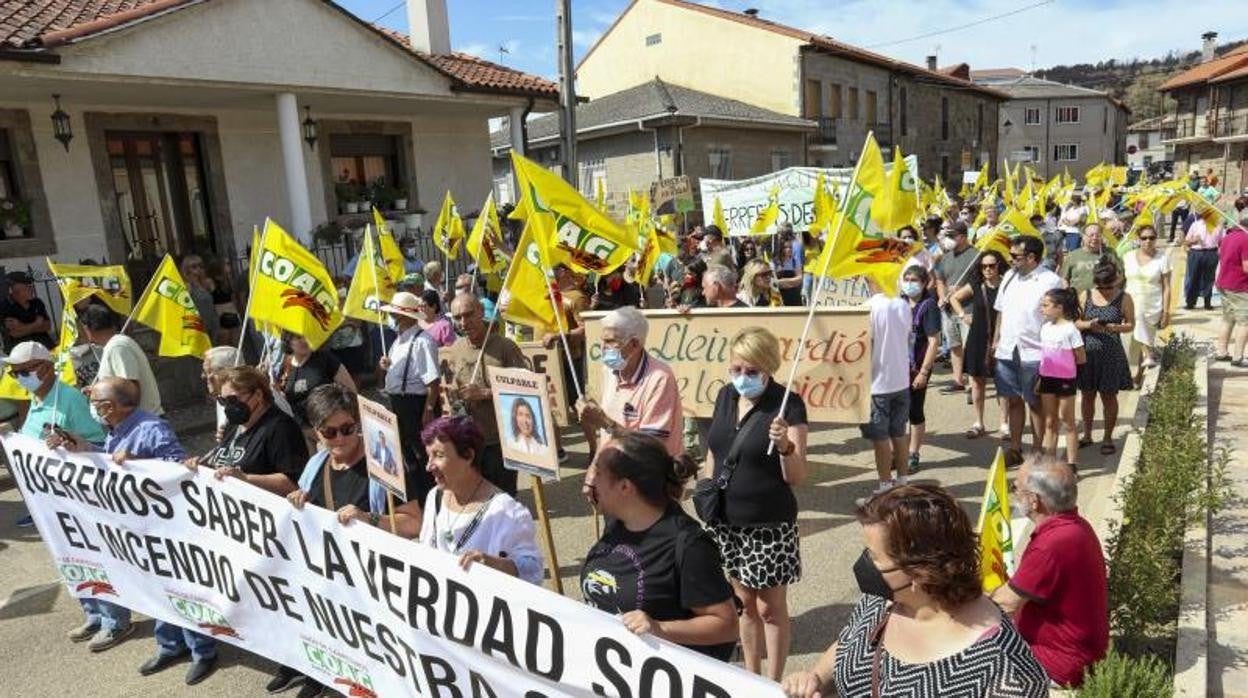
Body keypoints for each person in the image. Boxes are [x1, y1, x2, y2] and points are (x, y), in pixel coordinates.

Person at [782, 485, 1048, 698]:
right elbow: (847, 648)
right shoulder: (879, 601)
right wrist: (813, 679)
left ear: (919, 571)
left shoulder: (1007, 671)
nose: (864, 563)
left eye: (874, 557)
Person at [53, 378, 216, 684]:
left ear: (110, 406)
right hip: (137, 527)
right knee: (154, 589)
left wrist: (139, 462)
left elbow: (177, 467)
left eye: (95, 400)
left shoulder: (151, 428)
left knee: (179, 589)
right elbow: (111, 461)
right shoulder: (117, 428)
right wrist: (86, 448)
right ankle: (170, 645)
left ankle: (202, 651)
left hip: (165, 527)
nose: (92, 405)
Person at [279, 385, 423, 695]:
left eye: (348, 428)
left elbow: (413, 523)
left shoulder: (384, 463)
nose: (341, 438)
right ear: (316, 432)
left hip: (374, 582)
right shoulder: (314, 467)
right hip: (332, 580)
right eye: (330, 432)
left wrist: (369, 518)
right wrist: (297, 501)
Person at [703, 326, 808, 680]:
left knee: (770, 609)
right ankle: (751, 676)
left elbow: (796, 475)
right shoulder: (725, 397)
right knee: (743, 605)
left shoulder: (787, 404)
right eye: (736, 369)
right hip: (727, 522)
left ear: (769, 368)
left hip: (769, 524)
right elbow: (714, 452)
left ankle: (773, 682)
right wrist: (707, 492)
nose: (742, 378)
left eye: (751, 372)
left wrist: (785, 447)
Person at [581, 432, 738, 659]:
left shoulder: (689, 545)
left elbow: (726, 625)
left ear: (625, 487)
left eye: (599, 474)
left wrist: (659, 629)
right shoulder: (617, 522)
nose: (590, 483)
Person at [992, 456, 1109, 688]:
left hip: (1058, 662)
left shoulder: (1051, 544)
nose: (1014, 493)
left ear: (1034, 501)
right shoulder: (1076, 526)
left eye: (1016, 488)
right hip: (1079, 652)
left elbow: (1004, 604)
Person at [419, 416, 544, 585]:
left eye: (438, 455)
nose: (429, 466)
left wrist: (494, 564)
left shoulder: (506, 511)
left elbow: (533, 571)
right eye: (429, 457)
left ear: (468, 455)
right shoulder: (435, 497)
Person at [441, 293, 530, 496]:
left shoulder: (505, 347)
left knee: (503, 497)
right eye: (457, 317)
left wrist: (486, 393)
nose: (464, 322)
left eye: (469, 314)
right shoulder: (456, 349)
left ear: (481, 312)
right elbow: (454, 384)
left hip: (499, 440)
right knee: (475, 497)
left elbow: (525, 391)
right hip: (469, 440)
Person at [576, 306, 683, 457]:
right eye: (602, 341)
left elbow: (650, 446)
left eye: (610, 341)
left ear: (634, 344)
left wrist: (605, 422)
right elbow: (606, 434)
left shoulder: (660, 378)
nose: (603, 348)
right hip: (615, 466)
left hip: (648, 473)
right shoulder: (608, 371)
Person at [994, 236, 1063, 466]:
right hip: (1007, 349)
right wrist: (995, 340)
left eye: (1015, 256)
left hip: (1035, 352)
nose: (1010, 260)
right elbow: (1001, 311)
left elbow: (1058, 317)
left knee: (1035, 403)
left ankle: (1037, 451)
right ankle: (1015, 448)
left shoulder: (1050, 280)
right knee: (1013, 400)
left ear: (1032, 258)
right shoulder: (1009, 277)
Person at [188, 366, 306, 497]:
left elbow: (293, 484)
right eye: (223, 401)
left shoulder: (281, 428)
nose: (228, 406)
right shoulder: (233, 426)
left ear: (258, 395)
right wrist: (201, 466)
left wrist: (246, 479)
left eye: (233, 400)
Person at [379, 290, 442, 502]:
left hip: (415, 404)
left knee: (423, 454)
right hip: (399, 403)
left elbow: (433, 382)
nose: (393, 318)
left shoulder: (423, 341)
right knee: (407, 454)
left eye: (396, 314)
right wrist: (387, 367)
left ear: (406, 316)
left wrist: (428, 410)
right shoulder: (398, 341)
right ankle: (421, 497)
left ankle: (433, 497)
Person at [1075, 260, 1135, 454]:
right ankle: (1087, 434)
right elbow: (1075, 322)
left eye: (1108, 285)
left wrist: (1116, 327)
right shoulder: (1086, 295)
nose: (1105, 290)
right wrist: (1089, 325)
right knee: (1087, 395)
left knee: (1109, 396)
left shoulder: (1124, 298)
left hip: (1111, 353)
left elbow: (1131, 324)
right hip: (1088, 353)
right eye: (1102, 285)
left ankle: (1108, 437)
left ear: (1116, 280)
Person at [860, 285, 912, 499]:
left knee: (880, 438)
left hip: (878, 383)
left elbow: (863, 345)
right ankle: (902, 481)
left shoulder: (868, 307)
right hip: (900, 380)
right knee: (898, 433)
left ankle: (885, 486)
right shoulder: (902, 304)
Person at [950, 250, 1006, 440]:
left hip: (1002, 339)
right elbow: (954, 298)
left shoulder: (1007, 285)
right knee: (977, 381)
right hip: (978, 337)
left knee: (1003, 382)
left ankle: (1004, 423)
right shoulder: (976, 285)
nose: (988, 269)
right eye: (984, 266)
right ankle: (978, 422)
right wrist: (963, 316)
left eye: (992, 265)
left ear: (999, 265)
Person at [79, 304, 163, 416]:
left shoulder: (117, 347)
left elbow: (130, 389)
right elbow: (120, 386)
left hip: (142, 423)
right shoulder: (113, 345)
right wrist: (98, 391)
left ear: (87, 329)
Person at [1036, 289, 1086, 469]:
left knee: (1068, 421)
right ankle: (1050, 463)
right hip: (1047, 379)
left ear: (1059, 307)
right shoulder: (1045, 328)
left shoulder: (1071, 329)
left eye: (1046, 305)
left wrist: (1070, 373)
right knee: (1050, 421)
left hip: (1065, 380)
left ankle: (1072, 463)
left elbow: (1081, 357)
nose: (1042, 309)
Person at [901, 267, 941, 473]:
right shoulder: (899, 302)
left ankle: (913, 453)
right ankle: (898, 452)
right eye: (906, 279)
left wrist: (924, 372)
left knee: (914, 410)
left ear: (924, 283)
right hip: (897, 366)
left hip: (917, 366)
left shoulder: (929, 306)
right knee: (898, 411)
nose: (909, 283)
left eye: (914, 280)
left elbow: (934, 341)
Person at [1122, 225, 1172, 383]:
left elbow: (1167, 287)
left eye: (1151, 238)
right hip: (1130, 301)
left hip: (1152, 304)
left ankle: (1140, 371)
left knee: (1142, 330)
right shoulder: (1128, 257)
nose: (1148, 241)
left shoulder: (1162, 258)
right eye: (1144, 238)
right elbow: (1120, 280)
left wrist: (1166, 312)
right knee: (1135, 340)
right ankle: (1147, 356)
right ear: (1138, 239)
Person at [275, 332, 355, 427]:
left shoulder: (325, 358)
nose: (304, 340)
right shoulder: (285, 366)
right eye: (299, 337)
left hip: (329, 427)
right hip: (302, 430)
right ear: (288, 341)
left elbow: (351, 392)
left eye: (306, 335)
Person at [1214, 200, 1248, 366]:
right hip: (1240, 286)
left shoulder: (1228, 237)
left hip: (1224, 283)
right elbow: (1246, 267)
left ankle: (1221, 351)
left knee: (1228, 319)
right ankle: (1238, 356)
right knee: (1244, 321)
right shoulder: (1246, 239)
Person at [0, 271, 54, 352]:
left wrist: (22, 327)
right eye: (28, 287)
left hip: (46, 347)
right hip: (22, 352)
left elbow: (47, 326)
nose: (32, 289)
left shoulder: (37, 302)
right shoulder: (5, 306)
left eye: (31, 286)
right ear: (15, 289)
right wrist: (37, 324)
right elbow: (14, 333)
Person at [1063, 224, 1123, 294]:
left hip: (1105, 299)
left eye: (1098, 235)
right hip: (1078, 300)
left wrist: (1109, 288)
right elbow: (1064, 279)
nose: (1094, 238)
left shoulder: (1110, 253)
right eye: (1091, 235)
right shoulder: (1073, 255)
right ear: (1083, 236)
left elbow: (1120, 275)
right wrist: (1068, 295)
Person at [1183, 212, 1223, 310]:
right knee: (1193, 277)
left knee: (1209, 278)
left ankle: (1207, 302)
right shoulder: (1195, 224)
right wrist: (1194, 241)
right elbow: (1186, 241)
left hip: (1211, 252)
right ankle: (1190, 302)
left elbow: (1222, 241)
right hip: (1196, 253)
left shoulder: (1218, 226)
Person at [178, 254, 220, 344]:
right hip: (197, 326)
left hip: (212, 322)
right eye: (194, 266)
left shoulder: (206, 283)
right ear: (186, 269)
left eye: (200, 266)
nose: (198, 269)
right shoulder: (187, 286)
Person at [200, 345, 238, 442]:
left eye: (208, 371)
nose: (203, 376)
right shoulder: (221, 398)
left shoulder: (250, 399)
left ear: (225, 373)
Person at [204, 257, 241, 347]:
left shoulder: (229, 280)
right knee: (224, 347)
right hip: (221, 318)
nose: (230, 267)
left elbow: (234, 299)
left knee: (235, 347)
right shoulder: (210, 281)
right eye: (227, 264)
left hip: (233, 316)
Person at [771, 241, 804, 306]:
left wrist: (783, 281)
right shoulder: (774, 263)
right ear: (780, 248)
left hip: (794, 296)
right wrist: (793, 282)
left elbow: (800, 279)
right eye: (785, 247)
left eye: (790, 247)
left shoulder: (794, 261)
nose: (788, 249)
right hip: (780, 296)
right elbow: (773, 282)